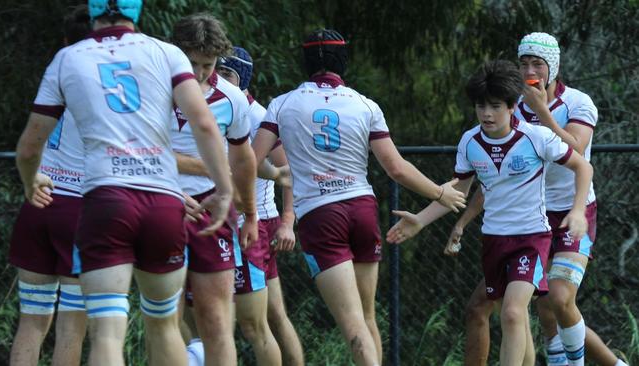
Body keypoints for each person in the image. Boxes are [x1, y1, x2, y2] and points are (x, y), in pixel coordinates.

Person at [15, 1, 234, 365]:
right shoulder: (167, 52)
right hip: (163, 202)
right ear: (137, 10)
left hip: (106, 202)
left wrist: (30, 180)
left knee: (106, 335)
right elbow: (205, 124)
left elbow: (28, 147)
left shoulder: (68, 58)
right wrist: (225, 191)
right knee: (164, 325)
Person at [252, 29, 466, 366]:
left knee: (352, 326)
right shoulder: (365, 104)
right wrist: (440, 192)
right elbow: (396, 167)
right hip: (362, 211)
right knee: (367, 318)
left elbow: (252, 162)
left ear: (306, 61)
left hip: (320, 218)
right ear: (343, 62)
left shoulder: (282, 105)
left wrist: (276, 174)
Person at [432, 33, 626, 366]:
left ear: (553, 68)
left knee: (559, 298)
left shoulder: (577, 103)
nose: (530, 71)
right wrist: (461, 222)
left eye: (538, 64)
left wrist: (542, 112)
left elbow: (578, 153)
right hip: (524, 221)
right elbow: (493, 175)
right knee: (490, 306)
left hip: (570, 212)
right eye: (523, 64)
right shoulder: (509, 106)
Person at [387, 59, 594, 365]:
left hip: (532, 239)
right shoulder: (470, 142)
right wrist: (420, 219)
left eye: (495, 106)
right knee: (516, 318)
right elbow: (459, 190)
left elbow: (583, 166)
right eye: (481, 106)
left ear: (512, 107)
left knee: (511, 312)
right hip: (494, 241)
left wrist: (578, 211)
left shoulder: (536, 138)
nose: (486, 113)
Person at [170, 13, 258, 366]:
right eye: (191, 62)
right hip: (163, 206)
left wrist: (250, 213)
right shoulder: (152, 87)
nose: (200, 71)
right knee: (164, 316)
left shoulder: (232, 98)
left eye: (207, 64)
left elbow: (243, 160)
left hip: (213, 212)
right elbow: (136, 148)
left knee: (217, 320)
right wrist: (176, 190)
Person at [8, 5, 90, 365]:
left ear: (64, 40)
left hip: (38, 201)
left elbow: (27, 148)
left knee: (32, 321)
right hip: (79, 211)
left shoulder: (55, 77)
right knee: (72, 328)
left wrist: (29, 184)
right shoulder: (106, 85)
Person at [218, 46, 305, 366]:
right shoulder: (221, 107)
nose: (219, 79)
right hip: (239, 224)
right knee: (273, 317)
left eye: (227, 73)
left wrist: (288, 220)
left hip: (252, 227)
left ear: (243, 79)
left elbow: (288, 170)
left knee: (254, 324)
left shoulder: (256, 117)